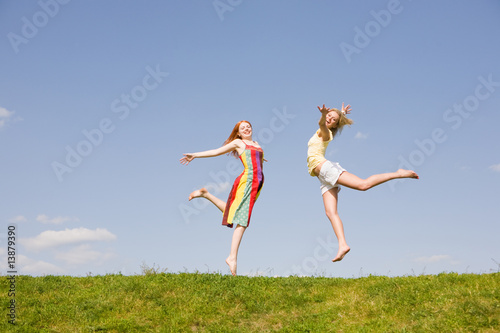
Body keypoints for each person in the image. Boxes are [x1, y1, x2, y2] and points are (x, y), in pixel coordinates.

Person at [307, 104, 419, 262]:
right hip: (322, 176)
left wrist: (325, 115)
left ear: (333, 126)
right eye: (328, 116)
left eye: (332, 119)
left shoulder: (325, 134)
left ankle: (398, 173)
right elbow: (327, 122)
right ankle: (343, 245)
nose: (329, 119)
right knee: (330, 213)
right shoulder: (321, 131)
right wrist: (342, 113)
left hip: (326, 169)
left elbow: (321, 125)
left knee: (363, 185)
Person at [180, 120, 264, 276]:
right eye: (242, 128)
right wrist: (195, 155)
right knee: (243, 220)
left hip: (258, 183)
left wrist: (260, 158)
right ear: (238, 133)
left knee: (235, 212)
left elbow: (256, 159)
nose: (246, 129)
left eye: (248, 126)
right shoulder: (239, 143)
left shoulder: (257, 144)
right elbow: (216, 151)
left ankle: (206, 194)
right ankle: (232, 257)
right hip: (248, 181)